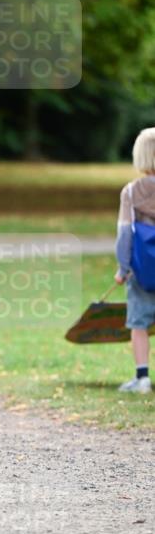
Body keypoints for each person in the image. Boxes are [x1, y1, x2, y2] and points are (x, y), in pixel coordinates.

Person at [114, 126, 155, 394]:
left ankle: (142, 379)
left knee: (139, 324)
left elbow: (124, 234)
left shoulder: (131, 192)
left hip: (143, 268)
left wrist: (123, 268)